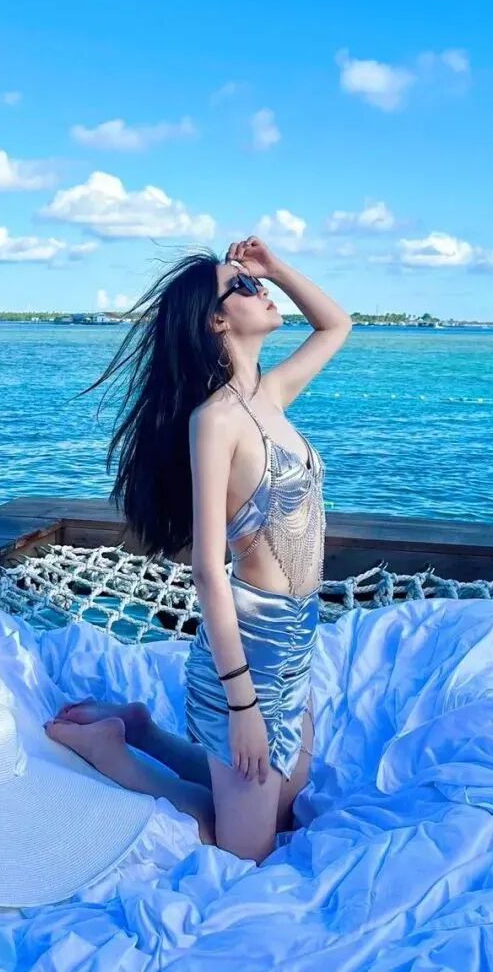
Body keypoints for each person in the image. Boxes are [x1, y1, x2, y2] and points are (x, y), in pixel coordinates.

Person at [44, 235, 352, 861]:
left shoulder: (271, 395)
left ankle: (142, 728)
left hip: (298, 637)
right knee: (246, 851)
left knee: (285, 813)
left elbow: (337, 325)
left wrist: (274, 268)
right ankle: (112, 749)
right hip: (247, 649)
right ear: (216, 321)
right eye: (243, 287)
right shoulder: (214, 421)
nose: (260, 291)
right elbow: (209, 571)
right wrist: (243, 705)